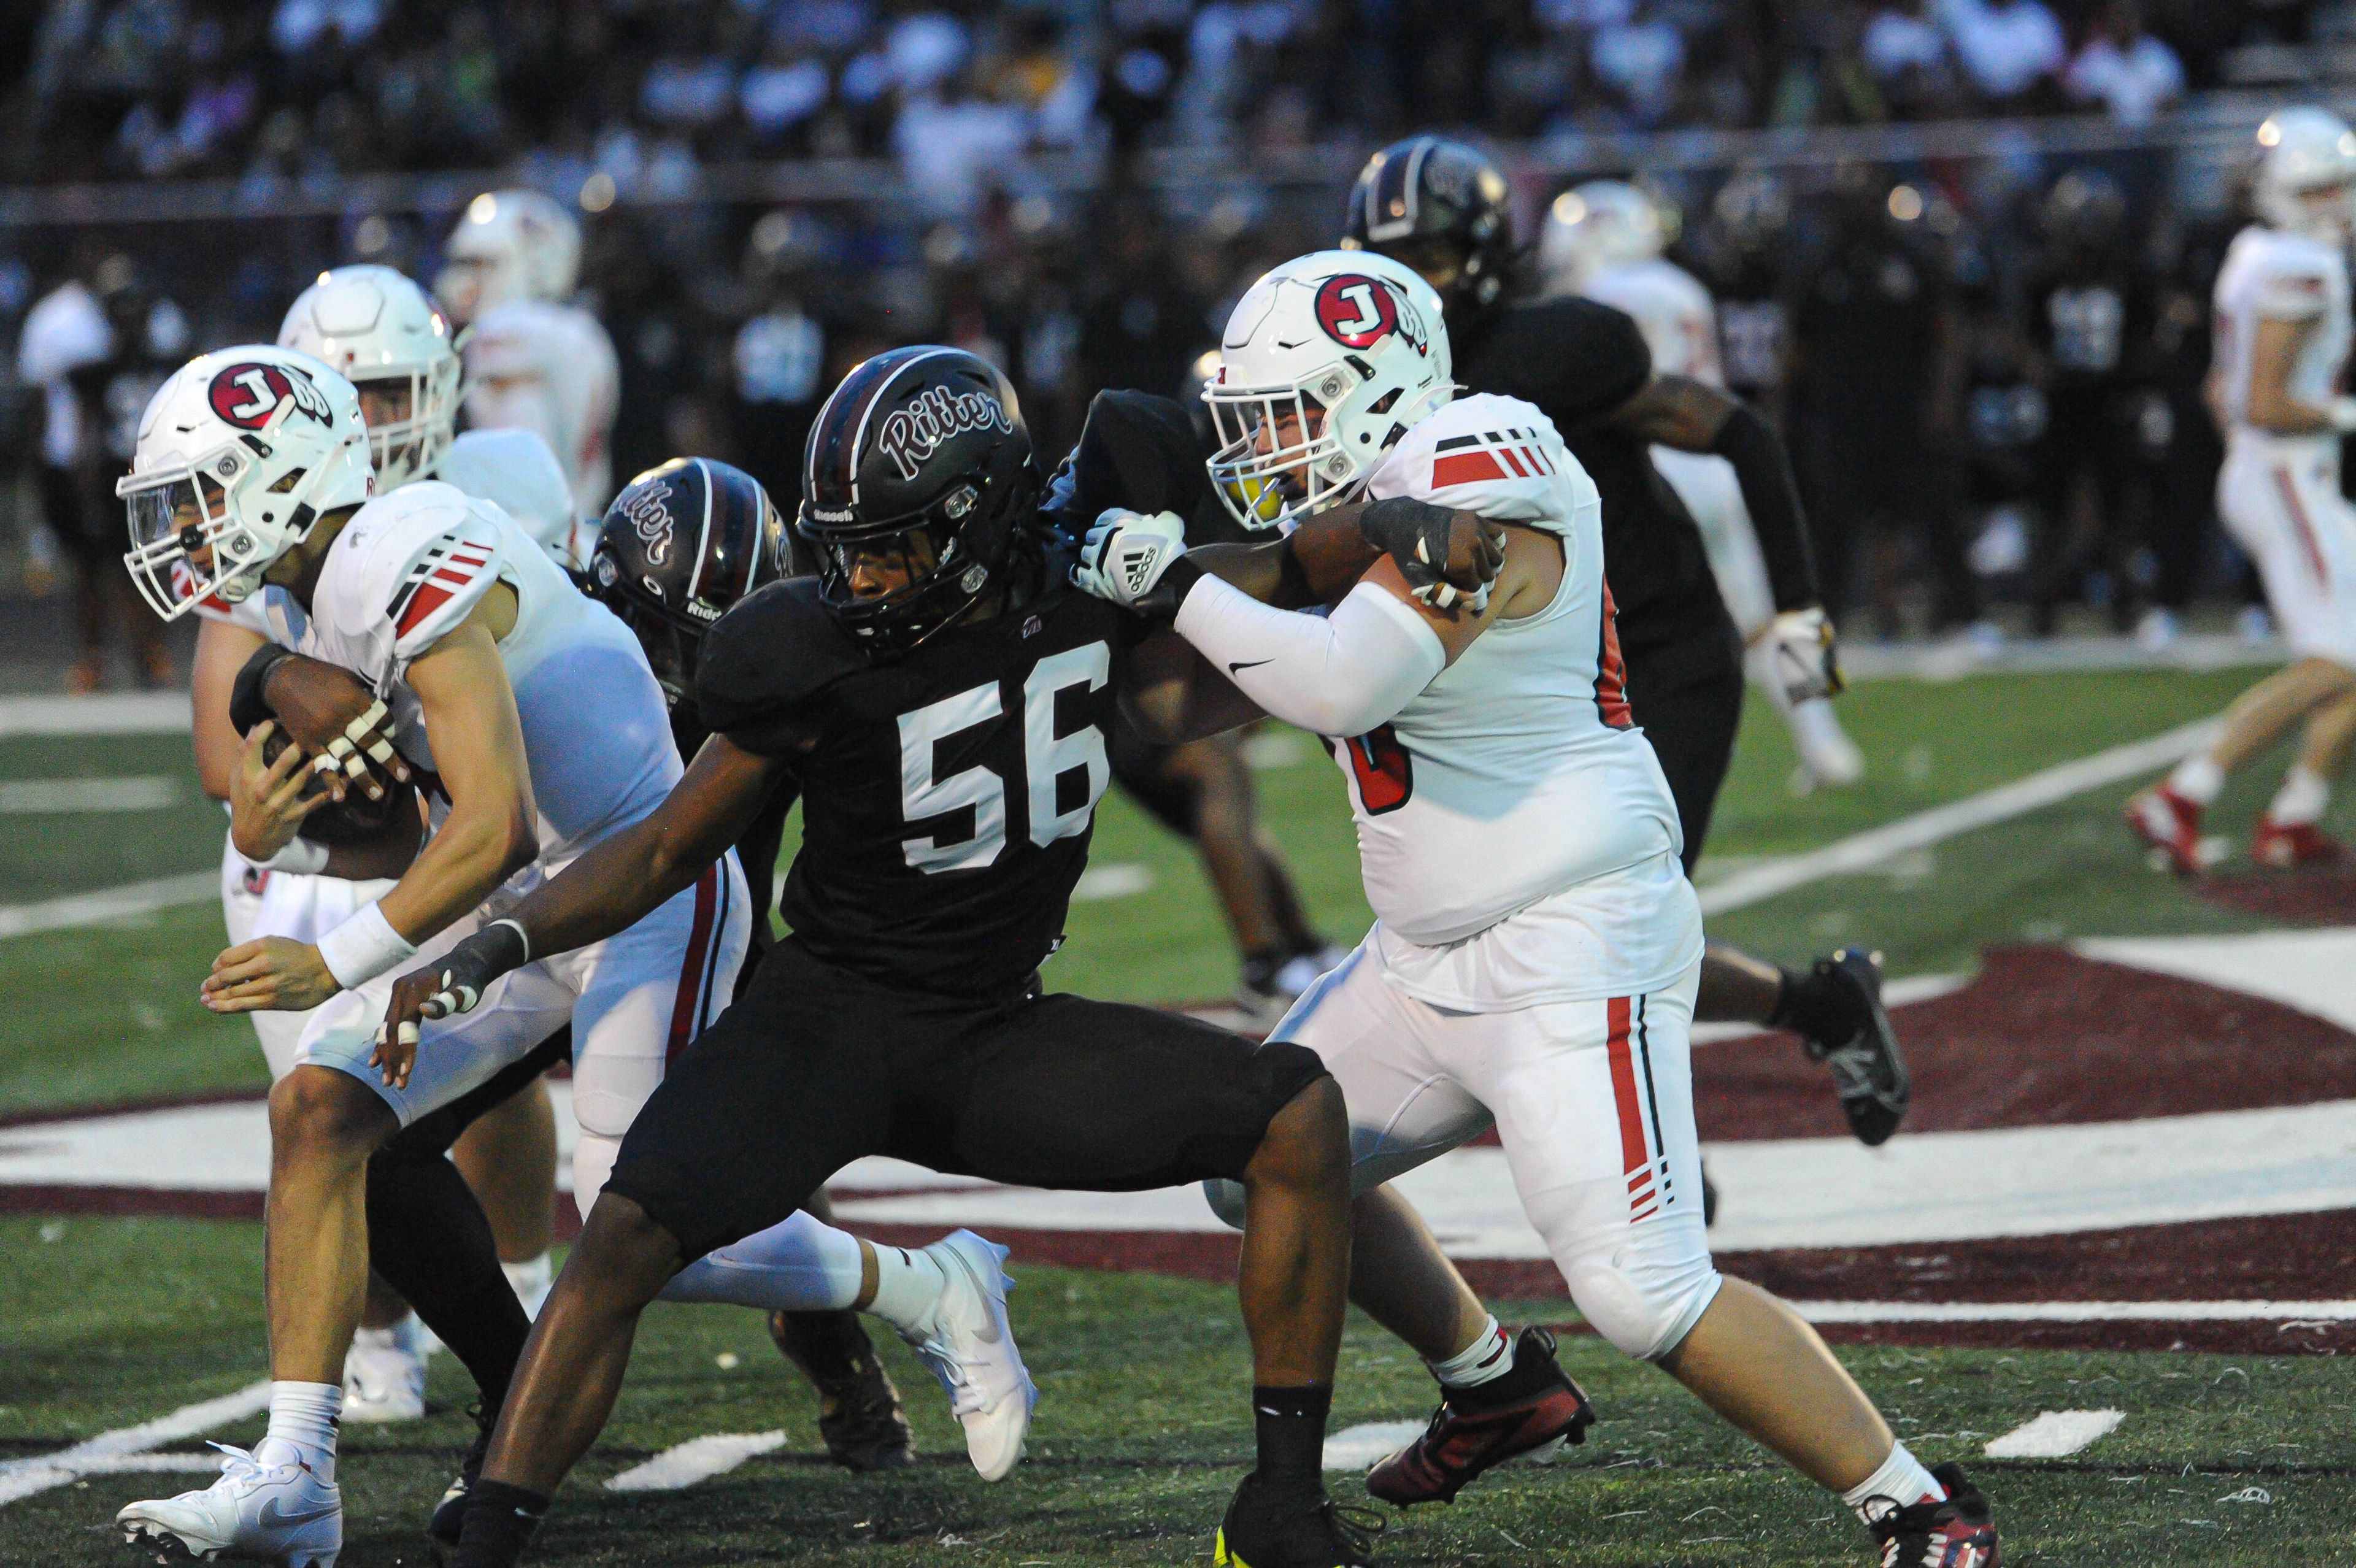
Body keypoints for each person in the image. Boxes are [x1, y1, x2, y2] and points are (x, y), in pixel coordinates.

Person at [377, 345, 1499, 1568]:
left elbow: (1287, 559)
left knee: (1294, 1118)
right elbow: (661, 850)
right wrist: (503, 936)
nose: (856, 573)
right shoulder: (805, 647)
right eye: (843, 543)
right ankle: (490, 1533)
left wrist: (1400, 518)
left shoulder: (1091, 579)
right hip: (827, 1018)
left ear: (978, 517)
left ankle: (1284, 1508)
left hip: (991, 1036)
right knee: (625, 1235)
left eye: (890, 544)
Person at [1071, 247, 2003, 1568]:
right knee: (1260, 1159)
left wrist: (1168, 581)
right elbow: (1187, 696)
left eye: (1284, 411)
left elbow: (1343, 684)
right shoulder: (1364, 503)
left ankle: (1919, 1505)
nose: (1263, 444)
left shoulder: (1487, 449)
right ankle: (1492, 1377)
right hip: (1422, 956)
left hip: (1572, 936)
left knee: (1643, 1291)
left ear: (1376, 385)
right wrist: (1086, 617)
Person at [112, 346, 1021, 1567]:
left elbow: (488, 824)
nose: (187, 527)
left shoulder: (397, 547)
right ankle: (296, 1473)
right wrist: (279, 839)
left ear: (281, 477)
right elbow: (429, 824)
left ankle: (928, 1286)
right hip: (531, 901)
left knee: (629, 1229)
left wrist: (336, 969)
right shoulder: (313, 594)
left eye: (203, 493)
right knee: (320, 1109)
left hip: (646, 888)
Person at [1342, 136, 1909, 1150]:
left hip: (1657, 655)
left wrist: (1799, 608)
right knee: (1537, 929)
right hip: (1520, 686)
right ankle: (1822, 1006)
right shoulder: (1371, 380)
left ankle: (1652, 1177)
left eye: (1423, 259)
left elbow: (1742, 432)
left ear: (1480, 257)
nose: (1401, 286)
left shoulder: (1555, 352)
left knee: (1619, 931)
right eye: (1384, 261)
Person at [185, 265, 577, 1426]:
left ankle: (525, 1289)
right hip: (319, 844)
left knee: (499, 1097)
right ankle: (378, 1336)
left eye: (398, 390)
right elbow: (223, 737)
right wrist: (282, 771)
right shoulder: (256, 499)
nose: (376, 422)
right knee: (333, 1110)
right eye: (349, 393)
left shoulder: (506, 478)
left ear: (446, 387)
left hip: (476, 827)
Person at [583, 455, 914, 1470]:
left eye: (717, 639)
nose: (695, 668)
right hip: (553, 927)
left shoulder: (789, 679)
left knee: (744, 1179)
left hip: (708, 942)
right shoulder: (567, 663)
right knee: (389, 1120)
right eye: (675, 637)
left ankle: (846, 1371)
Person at [1542, 179, 1865, 790]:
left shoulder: (1594, 297)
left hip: (1650, 472)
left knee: (1630, 628)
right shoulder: (1681, 286)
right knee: (1775, 614)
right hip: (1715, 466)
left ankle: (1651, 752)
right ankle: (1827, 742)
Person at [1049, 375, 1347, 1020]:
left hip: (1116, 687)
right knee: (1219, 777)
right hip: (1115, 693)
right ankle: (1267, 960)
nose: (1260, 441)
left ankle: (1295, 945)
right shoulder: (1145, 498)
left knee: (1231, 796)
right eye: (1253, 423)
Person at [2131, 108, 2356, 873]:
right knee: (2335, 659)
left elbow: (2218, 392)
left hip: (2274, 470)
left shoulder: (2255, 251)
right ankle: (2183, 794)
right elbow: (2261, 402)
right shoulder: (2302, 265)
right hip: (2291, 471)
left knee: (2349, 653)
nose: (2341, 199)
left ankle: (2295, 816)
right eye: (2326, 186)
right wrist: (2343, 416)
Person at [18, 252, 180, 691]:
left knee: (142, 570)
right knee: (101, 571)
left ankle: (148, 657)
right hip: (119, 477)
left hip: (143, 476)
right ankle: (110, 660)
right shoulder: (100, 370)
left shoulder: (150, 365)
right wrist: (85, 487)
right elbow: (87, 432)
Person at [437, 188, 622, 532]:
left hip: (534, 534)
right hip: (584, 524)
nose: (464, 282)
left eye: (482, 264)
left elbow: (522, 458)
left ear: (536, 264)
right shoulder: (581, 329)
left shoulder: (510, 331)